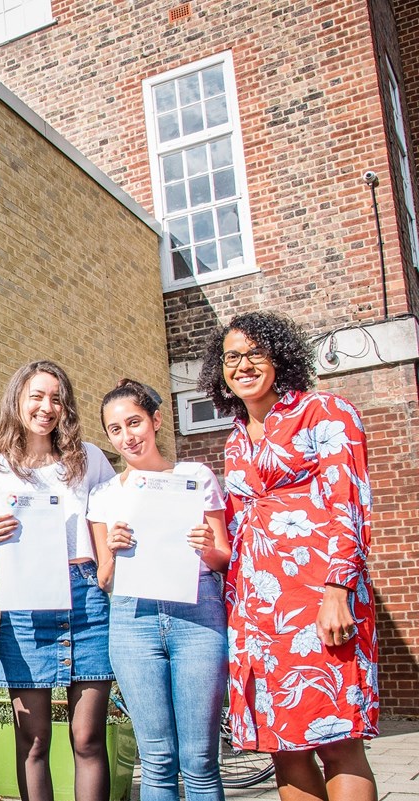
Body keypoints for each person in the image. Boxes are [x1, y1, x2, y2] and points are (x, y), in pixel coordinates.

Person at [198, 311, 378, 801]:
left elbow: (350, 502)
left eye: (256, 352)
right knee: (284, 746)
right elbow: (234, 531)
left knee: (338, 739)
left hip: (319, 597)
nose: (243, 365)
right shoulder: (235, 439)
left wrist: (337, 591)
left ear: (280, 357)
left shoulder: (325, 410)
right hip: (256, 611)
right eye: (232, 357)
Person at [0, 360, 116, 801]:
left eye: (56, 398)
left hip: (87, 598)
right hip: (27, 604)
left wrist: (110, 565)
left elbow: (112, 517)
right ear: (17, 400)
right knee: (32, 741)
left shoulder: (88, 459)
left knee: (87, 739)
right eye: (36, 396)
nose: (46, 406)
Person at [85, 379, 231, 801]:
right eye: (115, 429)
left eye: (134, 422)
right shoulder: (104, 494)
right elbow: (105, 579)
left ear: (156, 420)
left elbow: (223, 557)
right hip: (134, 623)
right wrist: (111, 549)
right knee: (157, 759)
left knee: (201, 760)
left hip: (197, 616)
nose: (127, 436)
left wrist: (208, 548)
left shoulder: (195, 477)